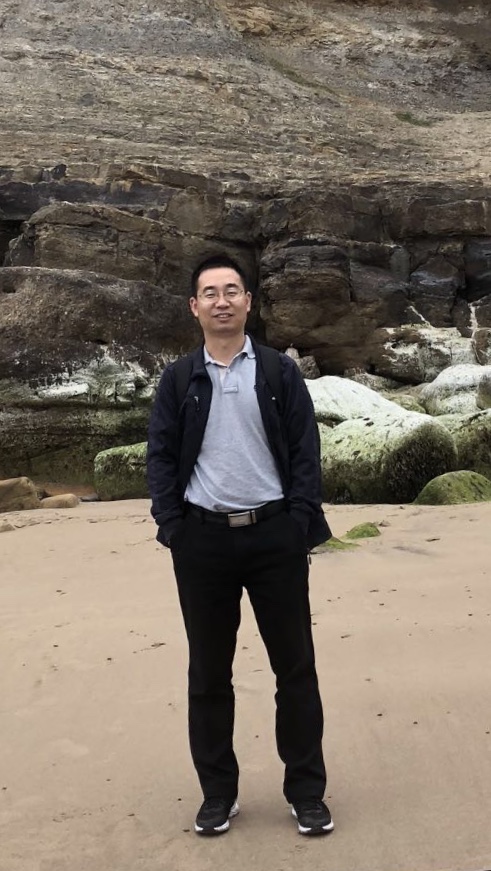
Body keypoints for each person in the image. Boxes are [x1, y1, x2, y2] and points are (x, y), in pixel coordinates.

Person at [147, 253, 333, 837]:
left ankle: (306, 792)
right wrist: (172, 526)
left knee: (295, 670)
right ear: (194, 306)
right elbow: (160, 456)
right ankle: (218, 794)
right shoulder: (178, 378)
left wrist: (299, 521)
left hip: (275, 536)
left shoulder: (278, 372)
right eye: (210, 292)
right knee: (208, 675)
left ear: (249, 302)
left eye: (232, 290)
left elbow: (305, 452)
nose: (221, 300)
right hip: (201, 542)